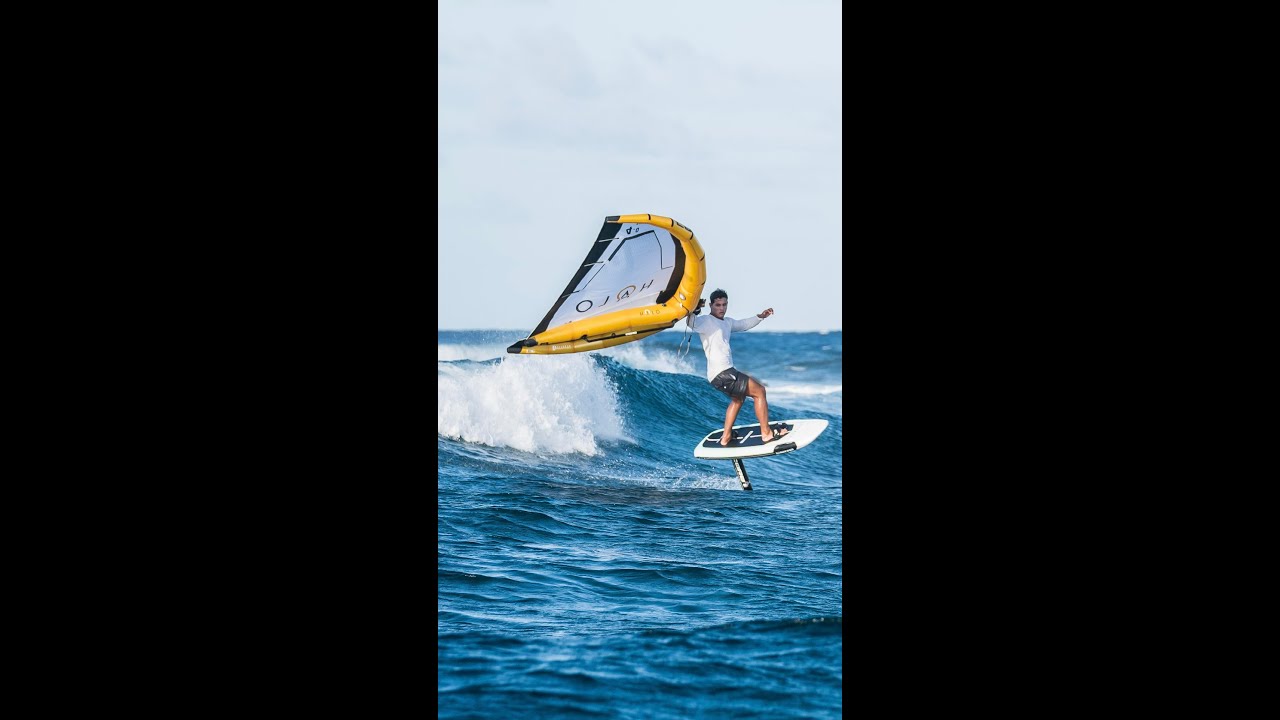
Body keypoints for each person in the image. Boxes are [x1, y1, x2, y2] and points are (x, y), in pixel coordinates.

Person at [686, 289, 790, 446]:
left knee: (738, 399)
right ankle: (766, 434)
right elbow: (691, 322)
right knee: (760, 391)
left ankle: (726, 437)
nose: (721, 308)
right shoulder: (706, 321)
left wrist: (760, 317)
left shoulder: (727, 322)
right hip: (723, 372)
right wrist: (696, 308)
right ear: (711, 305)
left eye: (724, 304)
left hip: (722, 373)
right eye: (718, 305)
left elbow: (743, 325)